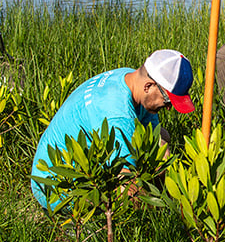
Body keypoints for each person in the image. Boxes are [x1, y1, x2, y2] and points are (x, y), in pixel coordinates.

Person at [30, 49, 195, 210]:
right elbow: (126, 184)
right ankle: (81, 223)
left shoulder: (130, 78)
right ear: (148, 86)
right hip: (55, 185)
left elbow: (158, 141)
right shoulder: (118, 115)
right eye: (167, 100)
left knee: (162, 138)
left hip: (88, 162)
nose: (168, 108)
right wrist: (161, 210)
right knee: (130, 194)